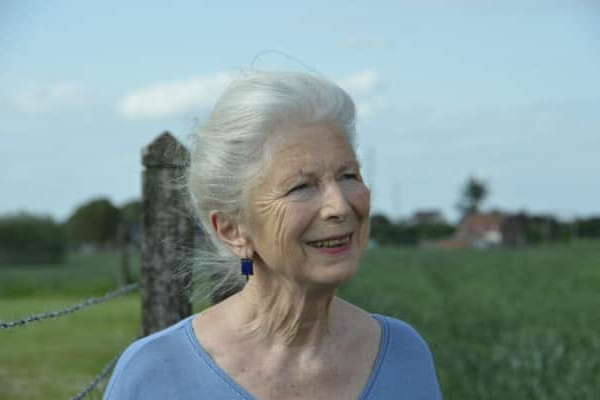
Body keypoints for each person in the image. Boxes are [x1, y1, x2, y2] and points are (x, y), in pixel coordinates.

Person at [104, 71, 442, 399]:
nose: (339, 206)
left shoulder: (403, 356)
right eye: (301, 187)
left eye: (348, 176)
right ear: (232, 230)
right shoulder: (155, 374)